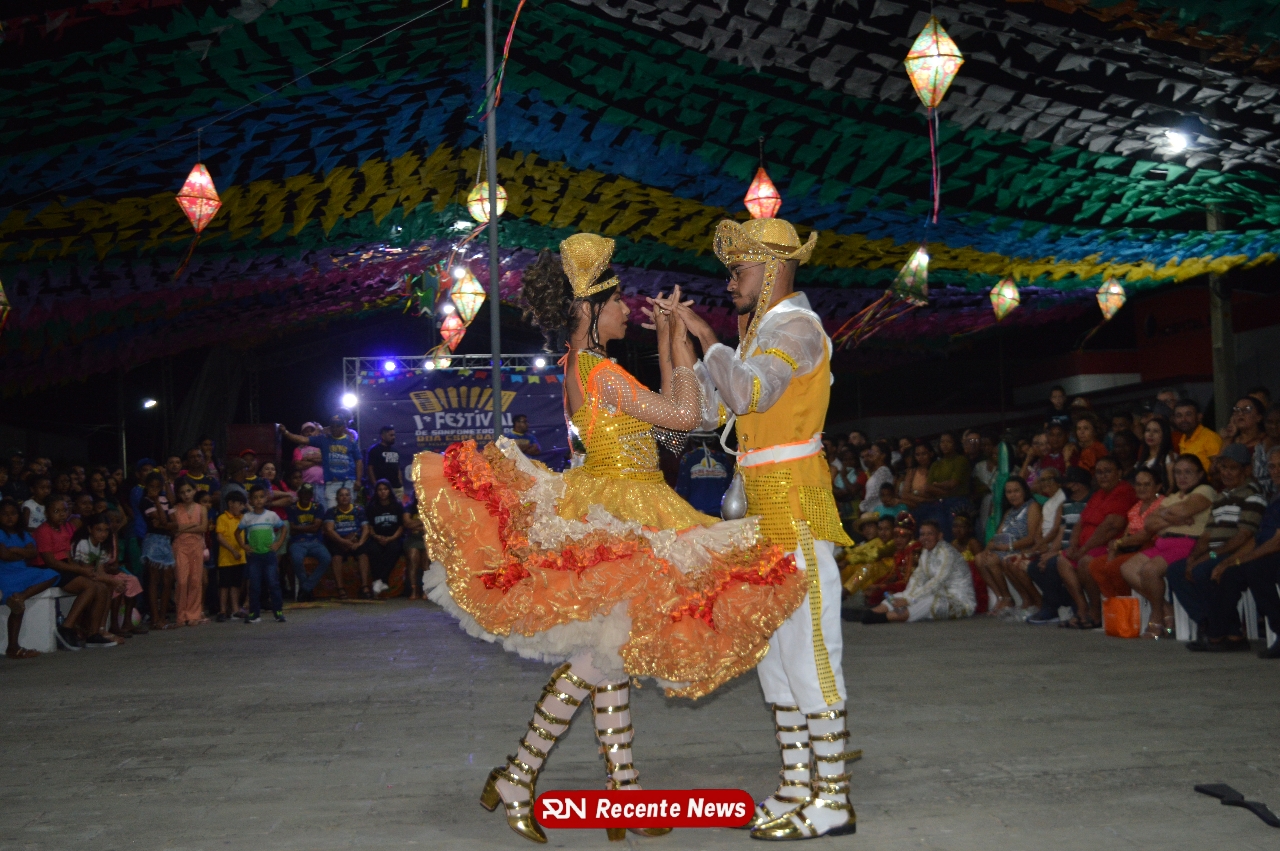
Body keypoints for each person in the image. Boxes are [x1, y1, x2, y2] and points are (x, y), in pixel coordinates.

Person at [419, 236, 805, 843]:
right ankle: (522, 777)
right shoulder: (598, 371)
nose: (628, 309)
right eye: (620, 301)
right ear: (592, 308)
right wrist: (679, 340)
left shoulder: (585, 365)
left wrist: (670, 339)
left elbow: (678, 422)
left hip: (623, 502)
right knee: (598, 659)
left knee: (611, 658)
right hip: (624, 510)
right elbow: (685, 418)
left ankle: (619, 792)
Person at [675, 218, 855, 838]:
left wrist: (707, 338)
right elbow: (705, 413)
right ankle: (797, 784)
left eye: (740, 270)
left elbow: (750, 394)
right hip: (758, 507)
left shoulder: (798, 328)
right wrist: (680, 341)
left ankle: (833, 797)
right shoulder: (759, 334)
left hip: (795, 502)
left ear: (774, 269)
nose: (730, 282)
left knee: (810, 647)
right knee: (774, 653)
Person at [1167, 443, 1266, 652]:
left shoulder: (1252, 495)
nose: (1226, 473)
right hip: (1214, 552)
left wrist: (1208, 556)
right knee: (1176, 570)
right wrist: (1193, 557)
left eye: (1233, 468)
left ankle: (1226, 632)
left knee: (1203, 570)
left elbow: (1244, 536)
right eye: (1223, 468)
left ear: (1246, 469)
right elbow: (1206, 535)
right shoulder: (1222, 497)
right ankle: (1209, 624)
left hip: (1235, 553)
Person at [1119, 455, 1215, 639]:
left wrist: (1164, 515)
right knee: (1127, 568)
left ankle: (1157, 616)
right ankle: (1165, 608)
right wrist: (1174, 518)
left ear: (1200, 474)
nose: (1182, 477)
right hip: (1163, 543)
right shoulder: (1172, 497)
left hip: (1188, 543)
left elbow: (1184, 510)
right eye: (1178, 472)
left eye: (1188, 472)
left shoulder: (1205, 490)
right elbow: (1149, 523)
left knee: (1149, 570)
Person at [1057, 457, 1137, 629]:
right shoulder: (1098, 494)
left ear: (1119, 473)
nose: (1103, 476)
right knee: (1062, 560)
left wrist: (1084, 549)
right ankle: (1082, 608)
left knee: (1086, 562)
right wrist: (1073, 545)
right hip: (1085, 546)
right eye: (1099, 472)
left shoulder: (1123, 492)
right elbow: (1081, 522)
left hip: (1107, 546)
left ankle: (1096, 611)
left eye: (1108, 471)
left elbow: (1111, 526)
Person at [34, 496, 116, 648]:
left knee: (102, 587)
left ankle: (93, 633)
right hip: (49, 570)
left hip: (65, 567)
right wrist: (80, 570)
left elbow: (69, 556)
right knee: (90, 586)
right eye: (56, 511)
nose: (61, 514)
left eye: (64, 511)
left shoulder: (65, 528)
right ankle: (67, 626)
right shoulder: (43, 531)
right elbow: (51, 561)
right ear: (46, 513)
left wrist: (81, 571)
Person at [863, 519, 976, 623]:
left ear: (940, 536)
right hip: (937, 593)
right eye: (922, 534)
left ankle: (883, 617)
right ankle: (873, 613)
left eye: (929, 534)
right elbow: (917, 578)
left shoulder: (947, 553)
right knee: (900, 596)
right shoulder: (926, 552)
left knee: (927, 601)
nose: (925, 538)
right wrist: (906, 597)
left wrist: (910, 600)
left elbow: (937, 582)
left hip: (958, 601)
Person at [1085, 468, 1165, 610]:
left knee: (1115, 567)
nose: (1142, 488)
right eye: (1138, 484)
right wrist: (1115, 548)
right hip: (1131, 546)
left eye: (1147, 484)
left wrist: (1120, 544)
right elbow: (1127, 534)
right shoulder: (1135, 508)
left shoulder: (1162, 504)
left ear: (1158, 487)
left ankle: (1130, 608)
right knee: (1096, 566)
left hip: (1151, 547)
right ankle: (1117, 608)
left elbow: (1147, 534)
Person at [1228, 447, 1280, 657]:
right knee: (1226, 572)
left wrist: (1242, 559)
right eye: (1272, 466)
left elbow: (1276, 541)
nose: (1276, 471)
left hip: (1272, 552)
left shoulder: (1254, 496)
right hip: (1222, 552)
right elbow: (1257, 538)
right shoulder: (1274, 496)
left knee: (1255, 569)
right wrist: (1229, 561)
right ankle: (1224, 633)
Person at [0, 498, 59, 659]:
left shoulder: (23, 534)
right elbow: (4, 555)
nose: (9, 517)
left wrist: (14, 550)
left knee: (51, 574)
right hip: (4, 573)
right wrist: (21, 552)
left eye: (13, 513)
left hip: (23, 571)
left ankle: (21, 596)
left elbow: (33, 553)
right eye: (4, 514)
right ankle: (13, 647)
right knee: (15, 601)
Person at [974, 478, 1042, 617]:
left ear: (1024, 491)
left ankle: (1014, 598)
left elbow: (1031, 538)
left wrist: (1009, 546)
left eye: (1016, 491)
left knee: (992, 560)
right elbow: (998, 536)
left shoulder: (1032, 506)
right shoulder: (1009, 512)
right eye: (1009, 492)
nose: (1012, 495)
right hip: (1006, 548)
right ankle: (1002, 597)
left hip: (1022, 547)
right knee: (979, 558)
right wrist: (988, 548)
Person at [71, 512, 143, 640]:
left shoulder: (101, 545)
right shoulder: (83, 544)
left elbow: (100, 571)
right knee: (104, 587)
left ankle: (102, 628)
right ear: (90, 529)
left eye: (106, 530)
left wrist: (113, 582)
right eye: (99, 530)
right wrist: (113, 581)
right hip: (77, 577)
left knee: (109, 586)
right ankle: (90, 628)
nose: (103, 534)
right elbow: (87, 572)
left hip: (90, 576)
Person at [281, 414, 362, 511]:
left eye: (338, 425)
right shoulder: (324, 439)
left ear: (343, 426)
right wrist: (285, 432)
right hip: (332, 482)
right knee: (332, 511)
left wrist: (358, 480)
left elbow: (359, 460)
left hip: (349, 481)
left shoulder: (351, 441)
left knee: (349, 510)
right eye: (333, 426)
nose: (335, 428)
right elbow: (303, 439)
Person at [237, 486, 286, 623]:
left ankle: (278, 611)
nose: (258, 500)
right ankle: (254, 613)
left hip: (269, 556)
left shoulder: (271, 515)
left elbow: (283, 528)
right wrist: (243, 546)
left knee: (273, 584)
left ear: (266, 498)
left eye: (261, 497)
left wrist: (278, 543)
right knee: (254, 586)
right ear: (250, 500)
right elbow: (237, 533)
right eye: (255, 498)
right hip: (255, 557)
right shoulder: (247, 517)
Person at [138, 472, 178, 630]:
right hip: (153, 541)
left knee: (168, 581)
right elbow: (163, 520)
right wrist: (156, 502)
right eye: (151, 487)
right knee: (154, 580)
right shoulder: (145, 501)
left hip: (166, 541)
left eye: (158, 487)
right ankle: (155, 618)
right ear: (146, 486)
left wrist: (164, 523)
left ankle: (162, 617)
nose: (154, 490)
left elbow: (174, 524)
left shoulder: (165, 500)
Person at [171, 481, 209, 627]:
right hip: (180, 546)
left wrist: (183, 528)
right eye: (182, 492)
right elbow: (174, 530)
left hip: (196, 546)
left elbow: (203, 528)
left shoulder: (201, 509)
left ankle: (193, 614)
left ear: (194, 491)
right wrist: (193, 525)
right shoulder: (175, 509)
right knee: (181, 580)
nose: (186, 495)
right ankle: (181, 614)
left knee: (195, 579)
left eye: (188, 491)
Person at [323, 487, 369, 600]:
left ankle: (365, 587)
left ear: (350, 497)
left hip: (355, 540)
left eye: (347, 495)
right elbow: (329, 530)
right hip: (338, 540)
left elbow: (366, 528)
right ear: (336, 498)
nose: (344, 497)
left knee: (363, 554)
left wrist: (360, 542)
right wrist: (343, 541)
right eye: (341, 495)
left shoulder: (358, 510)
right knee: (336, 557)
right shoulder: (331, 511)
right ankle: (340, 588)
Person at [287, 485, 330, 602]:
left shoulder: (318, 507)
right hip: (297, 542)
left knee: (326, 558)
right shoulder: (292, 508)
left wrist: (298, 528)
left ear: (312, 495)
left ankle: (306, 588)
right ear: (299, 494)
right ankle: (308, 590)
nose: (306, 496)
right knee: (296, 559)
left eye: (309, 494)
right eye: (304, 493)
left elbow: (316, 528)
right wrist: (310, 528)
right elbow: (291, 529)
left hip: (316, 542)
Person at [364, 480, 404, 597]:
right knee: (373, 549)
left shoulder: (397, 505)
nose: (383, 492)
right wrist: (376, 537)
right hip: (377, 537)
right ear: (376, 492)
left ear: (389, 491)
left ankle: (379, 580)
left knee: (394, 549)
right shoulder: (371, 506)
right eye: (380, 490)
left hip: (393, 537)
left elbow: (401, 527)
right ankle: (382, 581)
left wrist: (391, 538)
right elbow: (369, 526)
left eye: (385, 489)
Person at [675, 440, 733, 517]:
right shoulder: (723, 457)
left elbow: (682, 491)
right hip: (722, 512)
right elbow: (731, 486)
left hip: (698, 514)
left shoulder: (688, 457)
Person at [215, 492, 247, 622]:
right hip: (226, 559)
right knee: (224, 585)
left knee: (236, 585)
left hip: (239, 558)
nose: (242, 507)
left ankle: (235, 609)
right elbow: (220, 537)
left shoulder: (242, 518)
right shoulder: (222, 518)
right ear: (230, 503)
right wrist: (232, 550)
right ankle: (222, 610)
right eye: (240, 504)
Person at [1172, 398, 1223, 471]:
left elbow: (1219, 470)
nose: (1183, 419)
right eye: (1179, 416)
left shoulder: (1209, 437)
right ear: (1174, 419)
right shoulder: (1183, 438)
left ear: (1199, 417)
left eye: (1188, 414)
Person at [292, 422, 326, 507]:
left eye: (311, 431)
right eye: (306, 432)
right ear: (302, 434)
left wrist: (308, 459)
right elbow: (298, 465)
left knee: (323, 509)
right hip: (306, 485)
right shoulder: (299, 449)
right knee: (308, 509)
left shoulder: (322, 447)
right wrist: (316, 461)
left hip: (322, 485)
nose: (309, 433)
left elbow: (325, 460)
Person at [366, 426, 404, 500]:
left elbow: (398, 468)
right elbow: (370, 469)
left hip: (396, 487)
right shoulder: (374, 450)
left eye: (394, 435)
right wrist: (375, 485)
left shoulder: (395, 451)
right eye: (391, 435)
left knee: (397, 507)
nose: (394, 437)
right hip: (382, 488)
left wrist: (400, 483)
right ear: (383, 436)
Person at [859, 441, 895, 515]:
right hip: (873, 511)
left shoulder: (883, 471)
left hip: (878, 512)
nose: (870, 453)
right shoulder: (877, 472)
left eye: (873, 451)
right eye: (870, 451)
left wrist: (862, 507)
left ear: (882, 455)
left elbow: (875, 494)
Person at [402, 497, 427, 600]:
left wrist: (414, 524)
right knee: (413, 558)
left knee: (426, 561)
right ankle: (414, 590)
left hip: (427, 538)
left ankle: (425, 590)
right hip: (412, 538)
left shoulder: (432, 506)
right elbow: (407, 523)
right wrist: (423, 521)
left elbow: (433, 525)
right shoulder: (409, 507)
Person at [1252, 408, 1280, 500]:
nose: (1274, 426)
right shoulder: (1259, 450)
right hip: (1263, 500)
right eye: (1269, 422)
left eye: (1278, 422)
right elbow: (1255, 479)